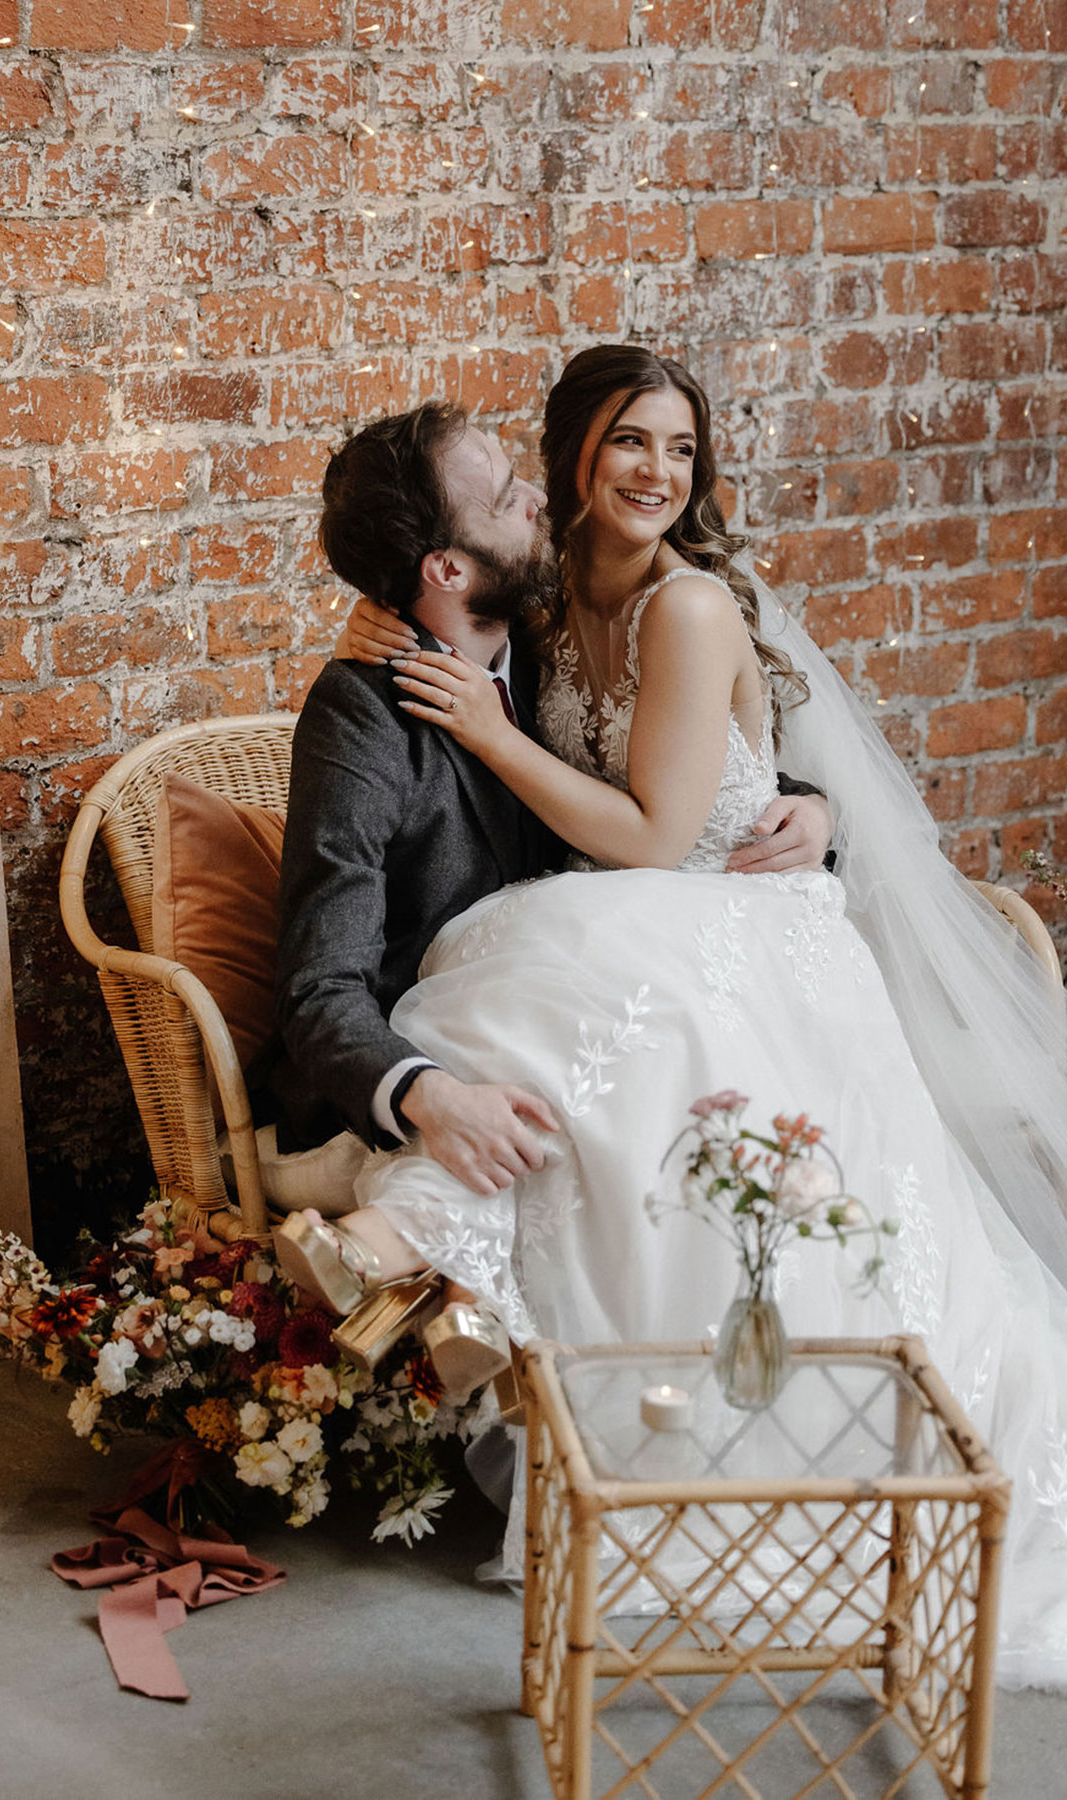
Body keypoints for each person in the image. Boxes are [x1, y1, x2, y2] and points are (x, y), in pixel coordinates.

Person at [291, 345, 1067, 1688]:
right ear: (557, 478)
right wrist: (423, 655)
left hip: (721, 928)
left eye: (681, 449)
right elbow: (463, 690)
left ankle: (412, 1226)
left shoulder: (673, 607)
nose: (654, 473)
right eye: (620, 447)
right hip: (630, 932)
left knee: (587, 960)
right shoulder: (511, 628)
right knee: (574, 973)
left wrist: (817, 813)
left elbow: (687, 809)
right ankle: (461, 1254)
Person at [264, 398, 833, 1393]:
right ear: (445, 569)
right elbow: (321, 984)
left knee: (680, 1033)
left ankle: (418, 1268)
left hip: (589, 984)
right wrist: (427, 1095)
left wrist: (815, 814)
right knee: (647, 1038)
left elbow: (695, 775)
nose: (538, 498)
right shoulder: (362, 716)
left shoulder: (553, 630)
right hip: (447, 1028)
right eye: (503, 495)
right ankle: (457, 1293)